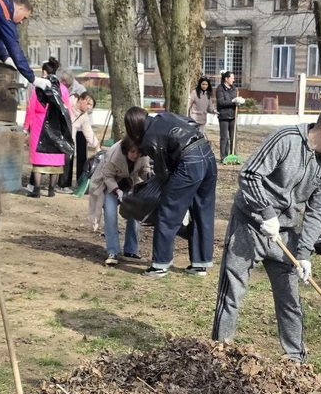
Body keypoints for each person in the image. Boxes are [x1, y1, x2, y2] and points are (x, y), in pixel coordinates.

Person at [211, 104, 321, 362]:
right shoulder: (286, 139)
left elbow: (318, 212)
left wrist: (304, 253)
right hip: (249, 225)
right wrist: (266, 213)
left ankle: (295, 360)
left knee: (290, 300)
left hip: (286, 236)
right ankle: (218, 353)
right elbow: (249, 174)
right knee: (231, 292)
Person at [123, 106, 218, 277]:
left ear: (132, 127)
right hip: (207, 153)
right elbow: (191, 122)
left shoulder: (148, 138)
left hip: (189, 161)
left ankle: (160, 264)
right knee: (202, 209)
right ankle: (200, 263)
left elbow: (163, 172)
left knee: (167, 212)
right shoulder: (164, 116)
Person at [89, 137, 152, 265]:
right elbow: (107, 176)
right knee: (110, 213)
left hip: (130, 183)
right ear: (126, 150)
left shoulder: (143, 156)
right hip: (110, 184)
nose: (135, 155)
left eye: (138, 152)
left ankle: (131, 249)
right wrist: (117, 191)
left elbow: (144, 171)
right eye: (132, 152)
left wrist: (150, 178)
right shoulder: (114, 154)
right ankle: (112, 250)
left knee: (135, 212)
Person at [23, 57, 70, 198]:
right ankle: (51, 189)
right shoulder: (63, 89)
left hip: (39, 122)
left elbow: (31, 108)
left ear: (44, 72)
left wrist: (26, 126)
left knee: (39, 158)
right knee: (55, 158)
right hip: (57, 125)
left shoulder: (39, 88)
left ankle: (36, 189)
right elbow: (67, 110)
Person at [63, 91, 98, 194]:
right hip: (59, 137)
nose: (89, 107)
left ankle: (63, 185)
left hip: (69, 142)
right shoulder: (68, 103)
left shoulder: (84, 116)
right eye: (88, 104)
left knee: (68, 160)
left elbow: (89, 132)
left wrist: (96, 146)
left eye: (91, 105)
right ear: (81, 99)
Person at [216, 71, 244, 162]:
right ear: (226, 79)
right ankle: (223, 156)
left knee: (234, 137)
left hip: (233, 116)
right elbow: (221, 102)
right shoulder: (220, 89)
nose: (233, 80)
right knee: (224, 137)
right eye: (232, 78)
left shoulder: (233, 88)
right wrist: (232, 101)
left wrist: (239, 102)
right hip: (223, 116)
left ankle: (234, 155)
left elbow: (235, 101)